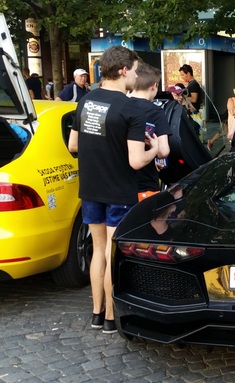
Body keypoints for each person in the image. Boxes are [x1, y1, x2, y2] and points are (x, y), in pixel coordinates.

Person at [67, 46, 159, 334]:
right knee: (111, 250)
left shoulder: (86, 100)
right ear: (123, 71)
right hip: (119, 190)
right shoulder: (130, 107)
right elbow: (135, 161)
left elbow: (73, 146)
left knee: (97, 251)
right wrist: (153, 149)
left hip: (91, 188)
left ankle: (95, 313)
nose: (135, 75)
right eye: (133, 70)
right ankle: (110, 317)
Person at [128, 63, 171, 201]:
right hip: (145, 185)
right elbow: (163, 151)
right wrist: (155, 149)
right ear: (154, 86)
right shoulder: (155, 111)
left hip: (118, 186)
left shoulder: (120, 105)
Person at [206, 83, 235, 150]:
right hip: (230, 124)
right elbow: (232, 112)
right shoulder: (231, 100)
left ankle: (211, 141)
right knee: (223, 132)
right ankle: (211, 141)